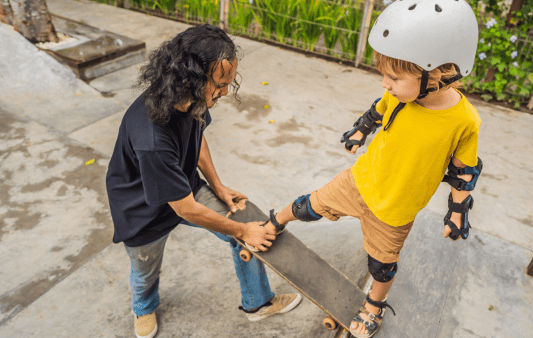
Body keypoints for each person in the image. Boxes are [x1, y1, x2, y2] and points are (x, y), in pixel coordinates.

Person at [250, 1, 483, 337]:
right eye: (384, 75)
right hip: (359, 181)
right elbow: (378, 109)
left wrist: (458, 211)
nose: (385, 83)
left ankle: (373, 306)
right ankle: (276, 221)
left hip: (395, 209)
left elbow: (463, 171)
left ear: (439, 73)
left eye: (394, 76)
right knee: (309, 205)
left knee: (382, 265)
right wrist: (360, 130)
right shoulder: (402, 95)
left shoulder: (463, 122)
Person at [105, 24, 301, 338]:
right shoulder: (151, 137)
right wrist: (240, 229)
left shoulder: (190, 98)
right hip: (141, 210)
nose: (225, 92)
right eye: (220, 83)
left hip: (184, 187)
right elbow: (185, 210)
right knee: (145, 273)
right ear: (191, 79)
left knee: (249, 233)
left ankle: (257, 303)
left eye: (228, 82)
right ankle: (143, 308)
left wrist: (218, 187)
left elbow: (196, 137)